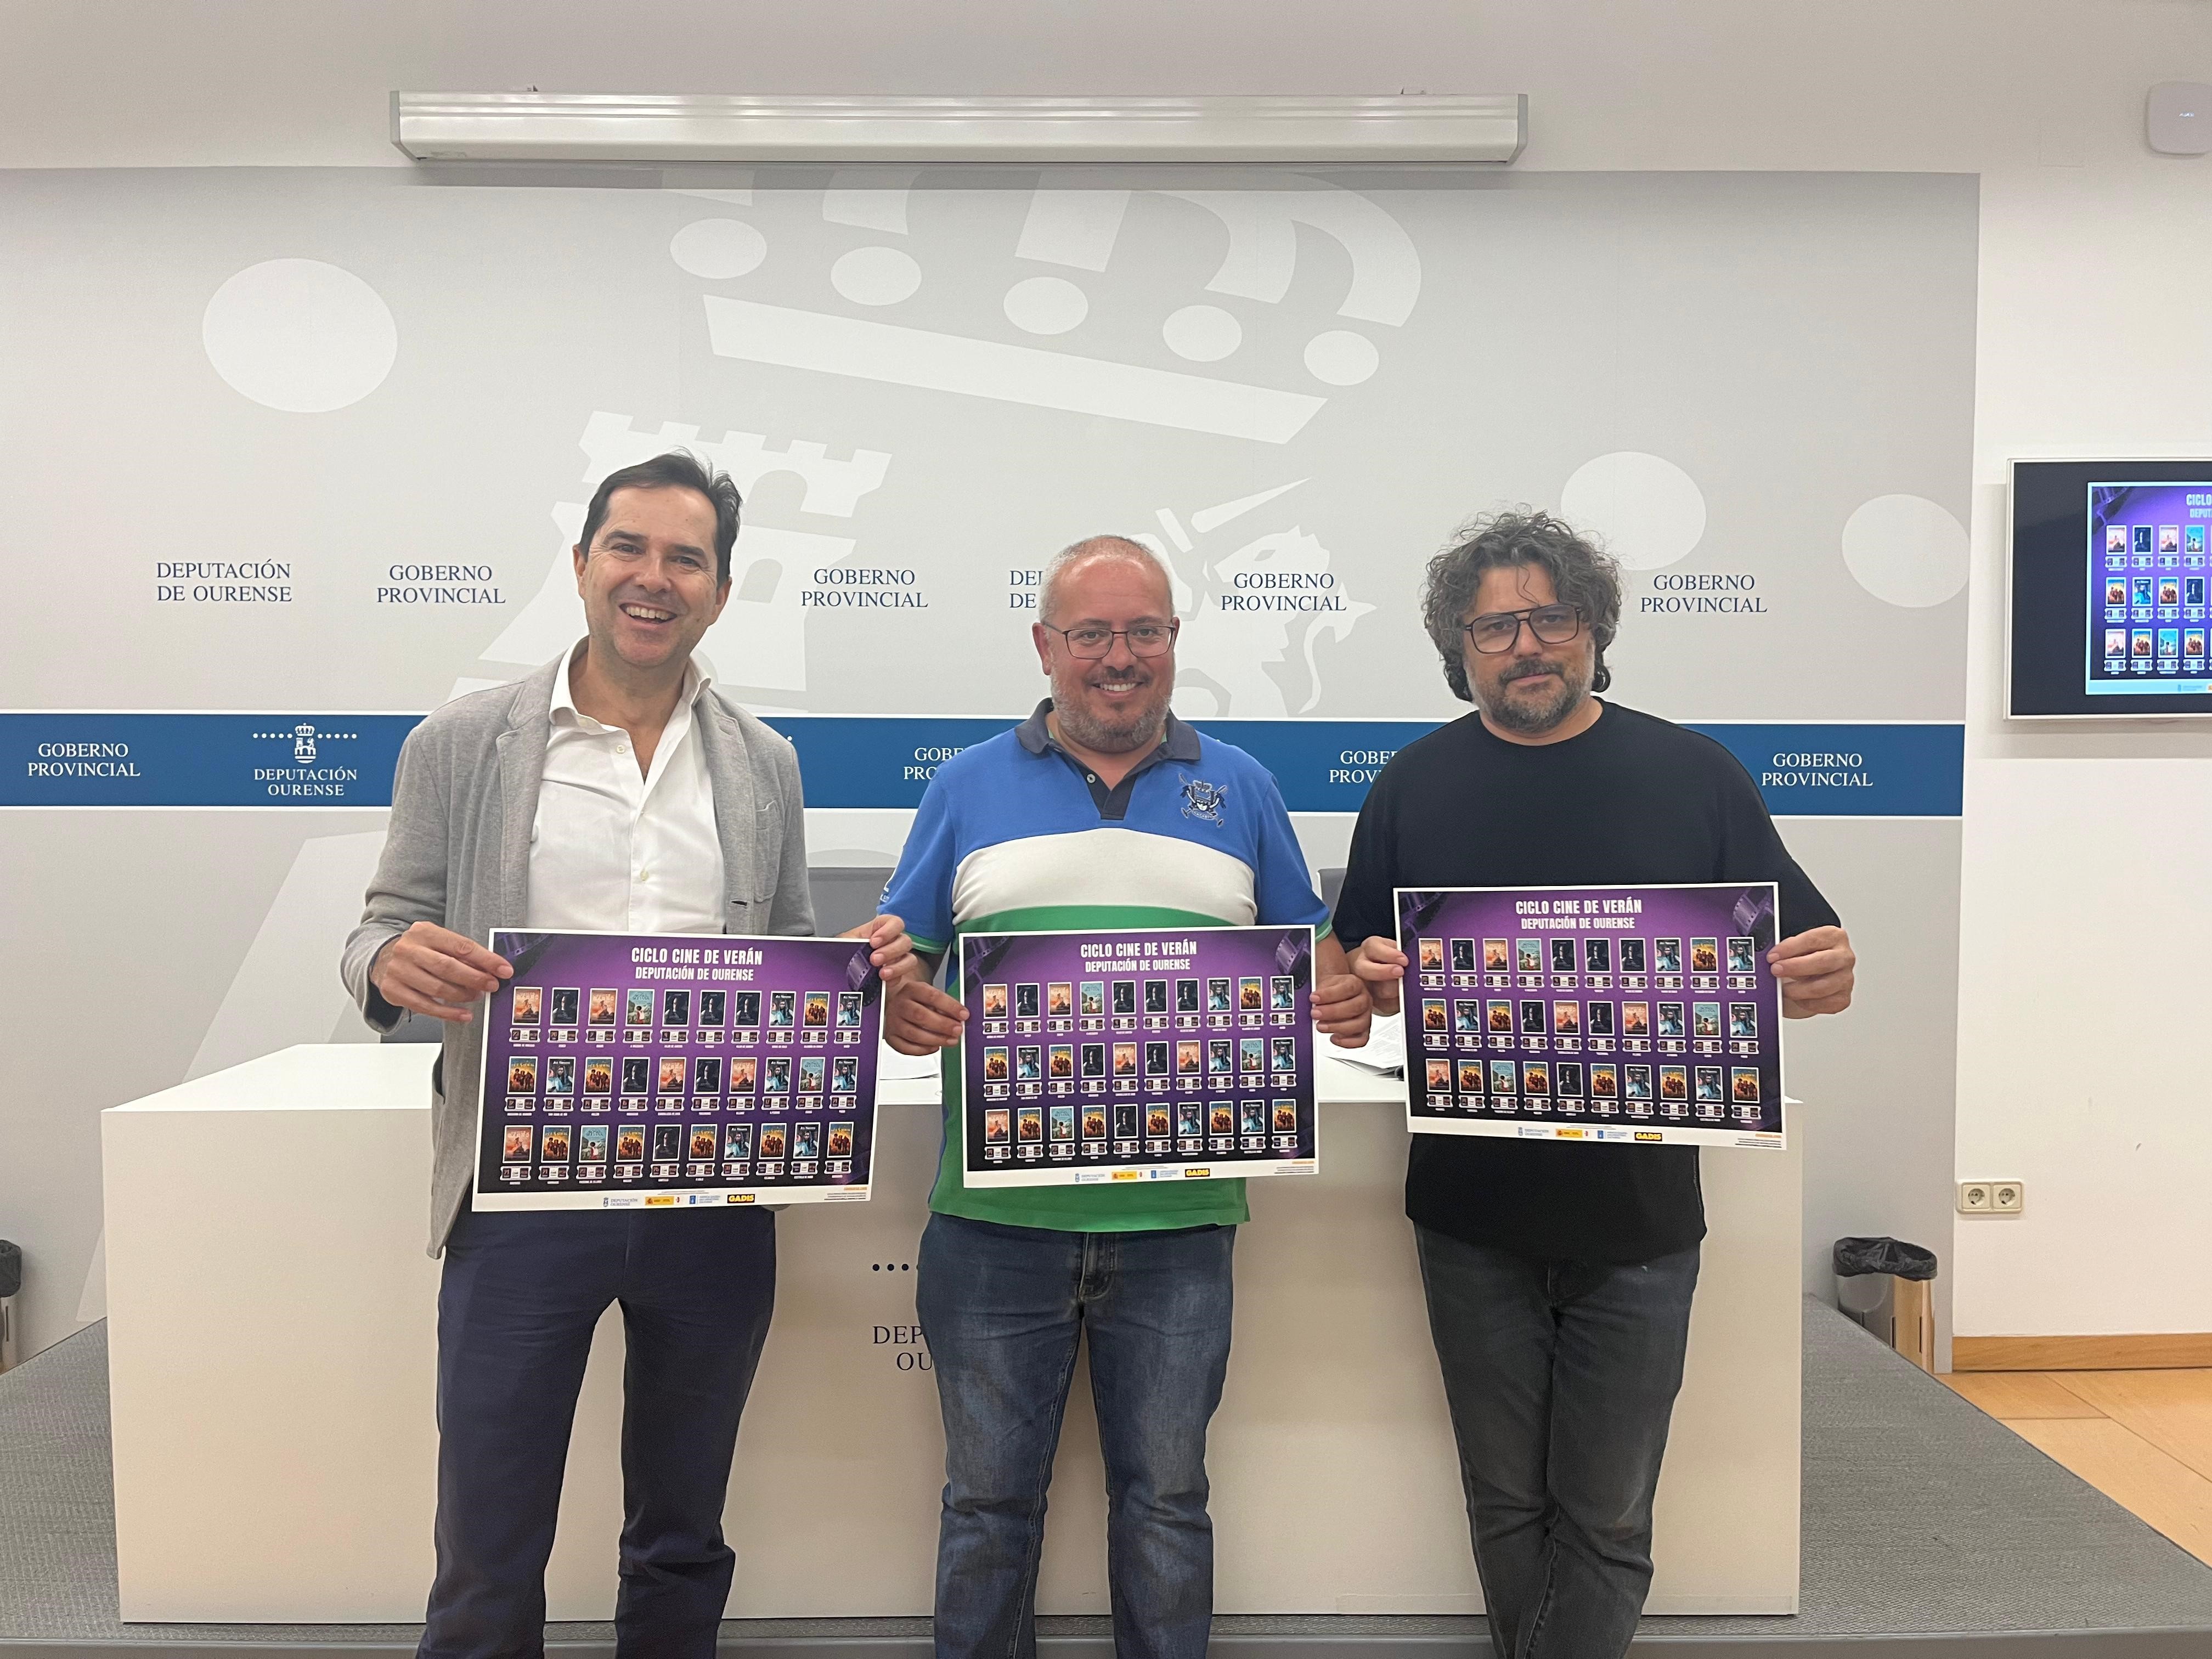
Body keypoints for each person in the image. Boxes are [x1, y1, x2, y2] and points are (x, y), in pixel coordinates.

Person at [338, 450, 910, 1659]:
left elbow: (785, 957)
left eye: (685, 559)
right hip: (521, 1187)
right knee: (489, 1529)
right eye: (629, 549)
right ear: (583, 563)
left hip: (712, 1188)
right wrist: (386, 964)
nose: (655, 578)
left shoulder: (763, 763)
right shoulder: (462, 741)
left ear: (722, 589)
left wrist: (856, 976)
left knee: (683, 1522)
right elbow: (383, 922)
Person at [1333, 511, 1856, 1659]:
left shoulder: (1695, 774)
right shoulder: (1412, 785)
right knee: (1504, 1502)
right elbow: (1351, 968)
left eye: (1550, 617)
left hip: (1640, 1221)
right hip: (1469, 1213)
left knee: (1611, 1516)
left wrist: (1825, 973)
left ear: (1594, 629)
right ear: (1459, 647)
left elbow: (1804, 965)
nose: (1526, 645)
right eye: (1494, 627)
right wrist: (1359, 980)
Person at [877, 536, 1370, 1659]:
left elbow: (1314, 964)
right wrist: (896, 992)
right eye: (1091, 633)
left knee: (1167, 1506)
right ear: (1045, 645)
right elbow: (909, 965)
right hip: (993, 1225)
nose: (1118, 657)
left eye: (1143, 631)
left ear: (1174, 641)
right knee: (987, 1509)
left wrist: (1350, 991)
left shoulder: (1243, 786)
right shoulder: (964, 785)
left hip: (1181, 1224)